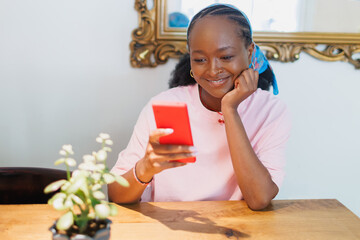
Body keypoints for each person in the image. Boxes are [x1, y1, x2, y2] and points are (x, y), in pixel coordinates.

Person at [108, 4, 291, 210]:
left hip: (238, 230)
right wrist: (145, 168)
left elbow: (259, 199)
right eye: (200, 59)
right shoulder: (166, 106)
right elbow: (115, 194)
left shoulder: (270, 111)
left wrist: (229, 110)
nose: (213, 70)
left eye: (226, 57)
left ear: (249, 53)